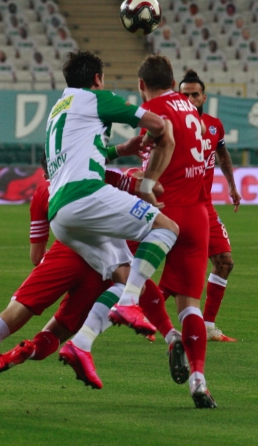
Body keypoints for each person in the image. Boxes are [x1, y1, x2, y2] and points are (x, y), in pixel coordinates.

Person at [0, 159, 161, 412]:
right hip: (105, 266)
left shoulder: (43, 190)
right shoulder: (98, 177)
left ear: (47, 168)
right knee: (64, 328)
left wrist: (51, 269)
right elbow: (142, 193)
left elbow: (35, 256)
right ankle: (35, 348)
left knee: (8, 318)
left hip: (64, 254)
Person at [61, 55, 217, 408]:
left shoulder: (154, 107)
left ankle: (149, 333)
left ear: (141, 84)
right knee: (191, 304)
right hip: (198, 212)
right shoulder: (192, 108)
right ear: (173, 80)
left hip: (164, 206)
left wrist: (147, 183)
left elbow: (166, 139)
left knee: (125, 273)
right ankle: (199, 380)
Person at [179, 70, 241, 342]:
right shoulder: (170, 125)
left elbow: (223, 155)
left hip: (204, 208)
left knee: (224, 262)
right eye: (184, 95)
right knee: (171, 273)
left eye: (195, 94)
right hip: (176, 207)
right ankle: (137, 313)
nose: (190, 99)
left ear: (204, 97)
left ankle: (208, 326)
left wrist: (232, 185)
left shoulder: (214, 126)